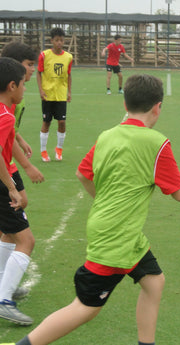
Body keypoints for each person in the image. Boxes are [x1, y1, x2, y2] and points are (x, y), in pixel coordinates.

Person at [4, 74, 180, 345]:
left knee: (154, 281)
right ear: (157, 107)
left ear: (125, 104)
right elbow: (179, 191)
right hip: (116, 238)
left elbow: (83, 174)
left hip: (123, 234)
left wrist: (104, 200)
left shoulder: (108, 135)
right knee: (85, 308)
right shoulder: (157, 143)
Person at [0, 42, 45, 304]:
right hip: (5, 169)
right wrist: (14, 182)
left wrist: (19, 138)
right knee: (24, 236)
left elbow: (7, 130)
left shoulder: (10, 100)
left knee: (13, 223)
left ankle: (6, 282)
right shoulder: (9, 100)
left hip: (7, 166)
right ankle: (4, 298)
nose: (32, 71)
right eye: (29, 66)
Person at [0, 57, 34, 326]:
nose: (25, 88)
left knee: (10, 234)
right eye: (23, 83)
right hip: (0, 185)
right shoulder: (4, 115)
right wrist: (11, 187)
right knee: (26, 241)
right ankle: (4, 300)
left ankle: (4, 289)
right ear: (12, 85)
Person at [37, 27, 73, 162]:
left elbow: (69, 75)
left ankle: (59, 149)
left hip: (61, 95)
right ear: (52, 41)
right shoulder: (44, 55)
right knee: (46, 122)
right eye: (57, 40)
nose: (59, 42)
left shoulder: (68, 57)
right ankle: (43, 151)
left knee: (62, 122)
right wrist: (41, 90)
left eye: (61, 40)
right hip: (47, 95)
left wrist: (69, 92)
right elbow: (39, 73)